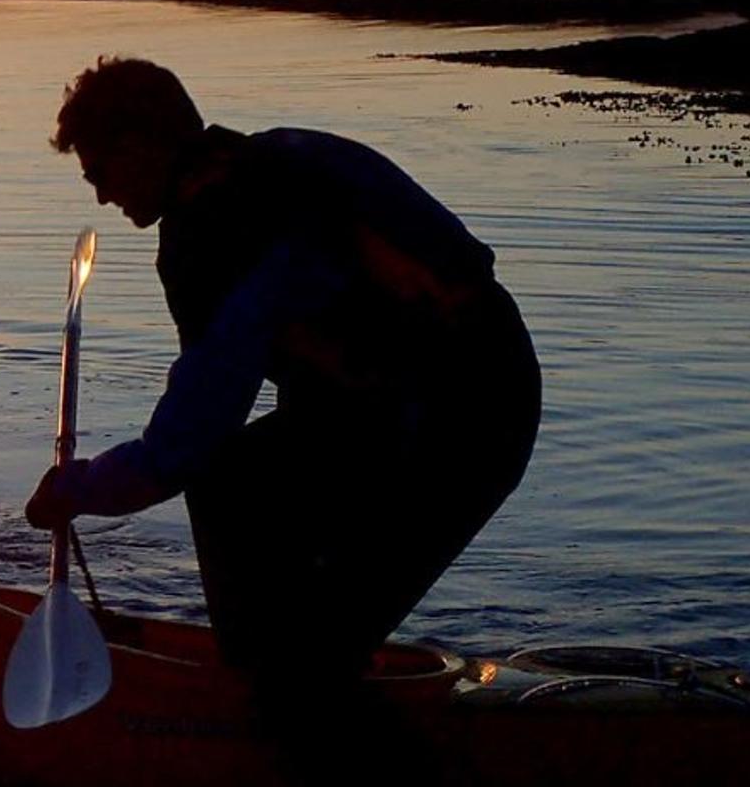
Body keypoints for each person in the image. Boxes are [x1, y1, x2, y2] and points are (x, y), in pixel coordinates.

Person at [27, 57, 540, 686]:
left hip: (464, 414)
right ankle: (283, 673)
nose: (103, 196)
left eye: (100, 175)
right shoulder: (277, 156)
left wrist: (77, 491)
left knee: (292, 631)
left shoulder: (219, 228)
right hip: (428, 389)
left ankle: (282, 700)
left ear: (138, 147)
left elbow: (187, 441)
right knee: (236, 483)